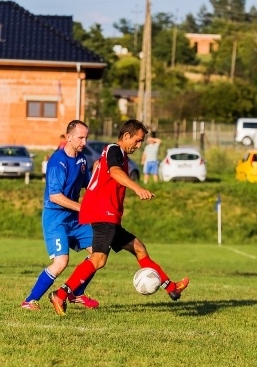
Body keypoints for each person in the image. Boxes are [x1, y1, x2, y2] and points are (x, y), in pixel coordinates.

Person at [48, 119, 189, 316]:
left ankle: (171, 288)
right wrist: (138, 188)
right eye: (137, 141)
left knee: (139, 248)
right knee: (98, 259)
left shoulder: (116, 153)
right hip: (102, 212)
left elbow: (104, 170)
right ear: (126, 136)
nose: (138, 146)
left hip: (107, 213)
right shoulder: (115, 150)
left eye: (141, 142)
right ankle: (61, 294)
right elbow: (114, 172)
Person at [21, 120, 98, 311]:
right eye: (81, 137)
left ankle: (77, 293)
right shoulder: (57, 161)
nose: (84, 142)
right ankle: (29, 301)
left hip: (75, 219)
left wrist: (97, 172)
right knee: (61, 262)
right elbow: (55, 197)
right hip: (56, 219)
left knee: (99, 253)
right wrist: (82, 208)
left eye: (86, 137)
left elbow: (89, 186)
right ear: (69, 137)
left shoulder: (81, 160)